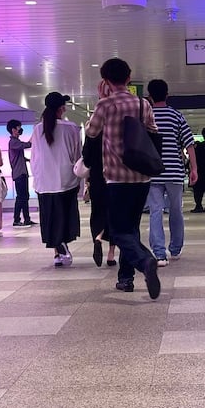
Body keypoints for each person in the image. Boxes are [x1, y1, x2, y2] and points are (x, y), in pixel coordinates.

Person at [83, 58, 161, 298]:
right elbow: (154, 134)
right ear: (129, 78)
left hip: (116, 179)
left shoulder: (105, 105)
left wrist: (101, 100)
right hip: (141, 177)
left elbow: (91, 132)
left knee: (117, 231)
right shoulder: (143, 104)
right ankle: (125, 279)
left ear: (105, 81)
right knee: (131, 228)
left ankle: (145, 260)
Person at [145, 80, 197, 265]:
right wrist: (194, 169)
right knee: (176, 210)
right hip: (174, 171)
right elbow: (189, 143)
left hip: (152, 172)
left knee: (155, 211)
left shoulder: (146, 116)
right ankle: (175, 248)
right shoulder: (176, 115)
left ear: (149, 96)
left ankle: (159, 253)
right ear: (167, 94)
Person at [32, 92, 82, 267]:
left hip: (45, 182)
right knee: (64, 217)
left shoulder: (38, 128)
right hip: (66, 180)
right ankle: (61, 246)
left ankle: (57, 253)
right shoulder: (71, 128)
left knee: (50, 218)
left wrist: (37, 179)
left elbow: (35, 158)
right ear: (62, 108)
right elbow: (77, 155)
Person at [83, 79, 116, 267]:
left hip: (96, 176)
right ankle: (111, 254)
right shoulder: (116, 124)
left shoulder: (92, 128)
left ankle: (97, 236)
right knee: (114, 212)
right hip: (115, 175)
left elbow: (85, 155)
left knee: (98, 211)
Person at [6, 119, 35, 227]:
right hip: (19, 173)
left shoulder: (15, 141)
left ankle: (27, 219)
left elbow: (20, 156)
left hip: (22, 172)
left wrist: (28, 160)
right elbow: (27, 145)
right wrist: (35, 134)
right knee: (21, 197)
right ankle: (17, 219)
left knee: (24, 196)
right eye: (18, 127)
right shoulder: (13, 142)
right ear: (13, 130)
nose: (20, 129)